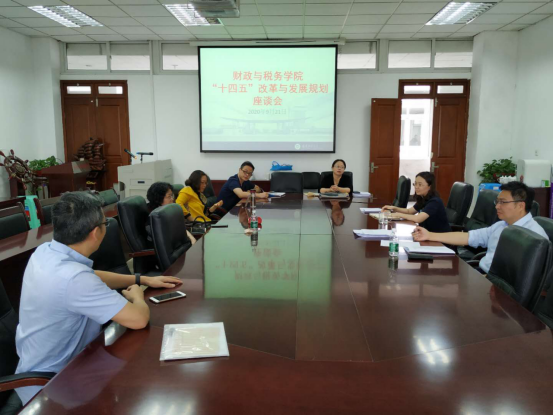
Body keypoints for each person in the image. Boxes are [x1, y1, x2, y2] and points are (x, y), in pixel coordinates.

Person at [14, 192, 182, 407]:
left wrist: (141, 279)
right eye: (105, 223)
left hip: (48, 366)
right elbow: (138, 319)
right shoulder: (74, 279)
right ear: (95, 232)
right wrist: (137, 296)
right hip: (54, 387)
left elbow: (90, 276)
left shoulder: (45, 252)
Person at [412, 181, 548, 273]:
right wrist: (429, 235)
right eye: (497, 201)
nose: (497, 206)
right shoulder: (502, 225)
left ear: (520, 205)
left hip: (500, 286)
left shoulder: (534, 237)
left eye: (503, 202)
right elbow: (469, 237)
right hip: (483, 274)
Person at [382, 171, 451, 233]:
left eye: (420, 185)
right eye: (415, 184)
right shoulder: (422, 198)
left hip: (439, 238)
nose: (416, 187)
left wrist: (398, 215)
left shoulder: (435, 202)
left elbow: (418, 219)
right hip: (426, 234)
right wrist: (394, 208)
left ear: (429, 186)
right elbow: (409, 211)